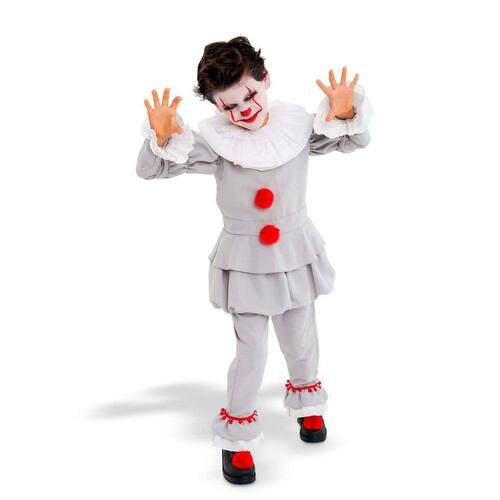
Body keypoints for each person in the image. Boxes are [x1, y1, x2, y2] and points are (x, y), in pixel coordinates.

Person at [136, 36, 371, 484]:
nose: (243, 110)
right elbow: (150, 170)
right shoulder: (218, 144)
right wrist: (161, 137)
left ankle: (307, 401)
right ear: (216, 107)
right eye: (229, 106)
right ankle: (238, 436)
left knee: (300, 337)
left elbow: (353, 140)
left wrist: (343, 112)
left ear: (265, 80)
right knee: (252, 350)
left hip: (294, 251)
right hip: (246, 260)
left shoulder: (296, 128)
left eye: (249, 95)